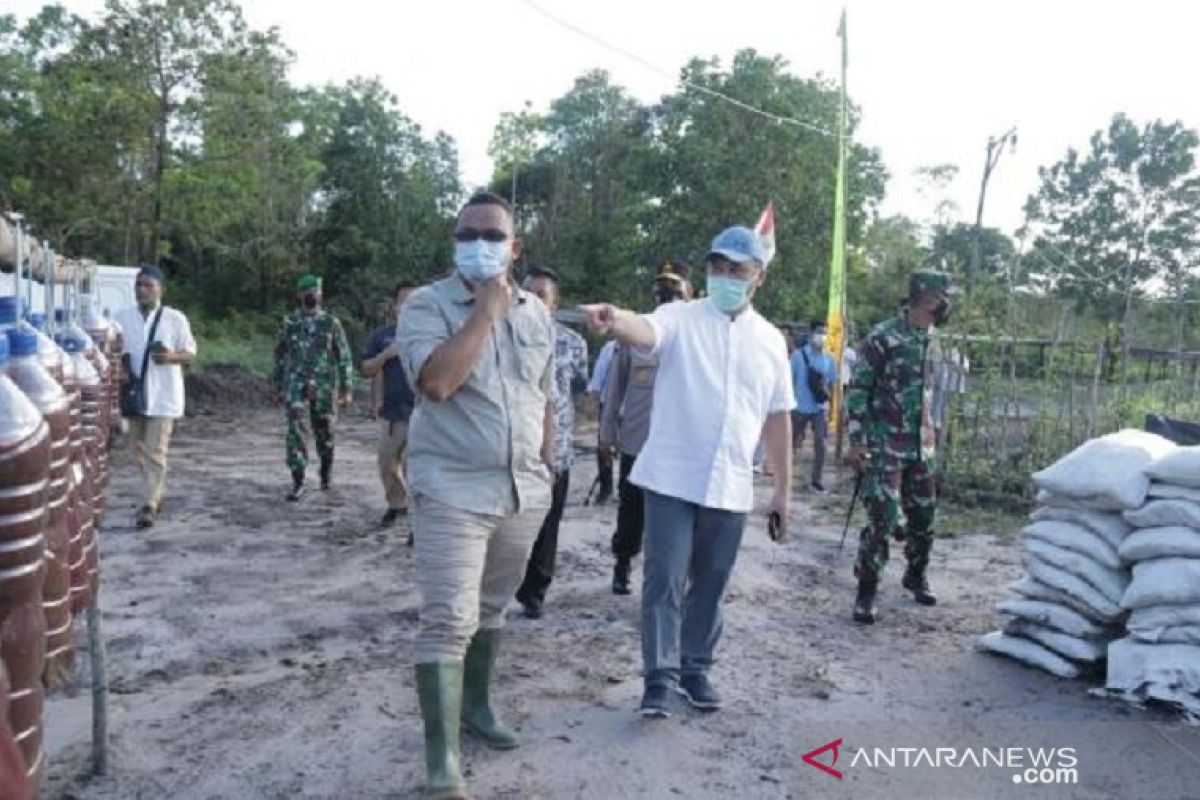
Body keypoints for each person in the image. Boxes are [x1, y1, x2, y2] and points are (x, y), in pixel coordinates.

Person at [580, 225, 795, 719]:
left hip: (732, 481)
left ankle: (695, 667)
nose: (724, 277)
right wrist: (615, 319)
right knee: (664, 577)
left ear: (757, 276)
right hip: (672, 476)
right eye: (716, 268)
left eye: (736, 270)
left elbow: (777, 415)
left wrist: (783, 490)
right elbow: (646, 330)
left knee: (713, 580)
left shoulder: (769, 342)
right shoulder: (679, 317)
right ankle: (659, 677)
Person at [396, 191, 555, 800]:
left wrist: (546, 460)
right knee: (447, 620)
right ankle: (443, 762)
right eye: (469, 234)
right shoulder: (427, 307)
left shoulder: (537, 313)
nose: (481, 245)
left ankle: (478, 710)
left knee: (491, 611)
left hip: (521, 491)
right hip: (451, 491)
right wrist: (484, 314)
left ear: (516, 247)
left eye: (494, 235)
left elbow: (542, 393)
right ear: (455, 242)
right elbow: (435, 383)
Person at [846, 269, 955, 625]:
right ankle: (866, 592)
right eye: (943, 297)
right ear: (925, 297)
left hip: (921, 444)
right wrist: (857, 439)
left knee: (924, 517)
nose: (947, 304)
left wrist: (937, 435)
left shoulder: (934, 339)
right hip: (884, 443)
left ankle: (916, 574)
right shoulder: (884, 337)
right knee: (883, 518)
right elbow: (859, 389)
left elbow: (932, 394)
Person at [601, 261, 692, 596]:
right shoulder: (634, 336)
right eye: (661, 290)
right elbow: (616, 389)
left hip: (680, 447)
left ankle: (671, 580)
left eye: (673, 290)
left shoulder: (695, 337)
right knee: (631, 512)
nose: (666, 296)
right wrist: (607, 434)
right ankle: (622, 564)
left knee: (675, 520)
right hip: (638, 442)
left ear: (689, 292)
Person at [514, 267, 588, 619]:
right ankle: (504, 583)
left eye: (542, 294)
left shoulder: (573, 343)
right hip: (513, 446)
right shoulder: (504, 332)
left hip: (555, 450)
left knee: (548, 523)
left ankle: (536, 590)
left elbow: (576, 391)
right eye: (528, 292)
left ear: (554, 302)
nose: (533, 300)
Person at [114, 265, 197, 529]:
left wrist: (171, 357)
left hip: (163, 396)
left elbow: (190, 353)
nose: (142, 289)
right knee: (135, 449)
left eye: (148, 285)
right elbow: (113, 352)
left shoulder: (175, 319)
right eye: (138, 285)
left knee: (156, 451)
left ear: (160, 288)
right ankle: (155, 491)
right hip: (134, 396)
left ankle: (149, 504)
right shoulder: (122, 318)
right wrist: (121, 368)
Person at [273, 275, 353, 501]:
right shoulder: (291, 324)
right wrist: (279, 387)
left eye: (316, 291)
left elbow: (343, 356)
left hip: (324, 385)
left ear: (320, 294)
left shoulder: (330, 323)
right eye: (308, 291)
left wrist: (347, 389)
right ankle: (297, 481)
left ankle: (326, 471)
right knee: (295, 432)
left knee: (325, 431)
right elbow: (280, 357)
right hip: (296, 384)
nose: (312, 295)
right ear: (299, 295)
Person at [360, 280, 418, 531]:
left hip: (421, 412)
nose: (407, 306)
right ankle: (397, 505)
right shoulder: (382, 336)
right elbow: (365, 369)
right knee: (386, 463)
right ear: (394, 306)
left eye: (413, 301)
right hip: (391, 413)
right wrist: (387, 355)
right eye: (403, 301)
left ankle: (419, 520)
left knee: (413, 466)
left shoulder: (431, 334)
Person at [790, 320, 837, 493]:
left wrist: (831, 409)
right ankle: (787, 475)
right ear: (810, 334)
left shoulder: (829, 359)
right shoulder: (798, 356)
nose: (821, 336)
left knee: (821, 444)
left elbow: (831, 384)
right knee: (793, 442)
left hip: (820, 408)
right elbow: (789, 380)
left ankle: (816, 480)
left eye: (825, 332)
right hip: (799, 407)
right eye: (819, 332)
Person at [587, 339, 618, 505]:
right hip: (609, 404)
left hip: (634, 408)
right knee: (604, 447)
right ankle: (606, 487)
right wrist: (595, 395)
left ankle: (627, 487)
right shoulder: (611, 348)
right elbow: (599, 374)